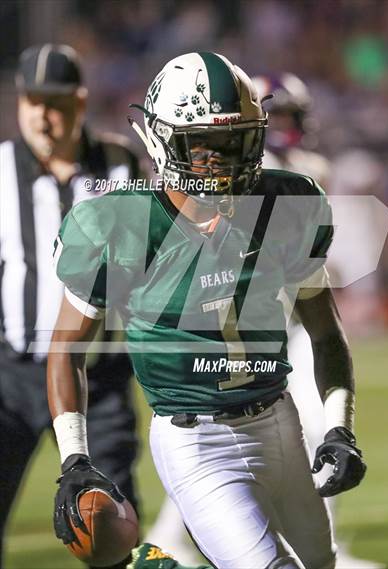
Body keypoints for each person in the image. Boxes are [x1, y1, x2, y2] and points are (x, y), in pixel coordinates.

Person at [47, 52, 367, 569]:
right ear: (160, 140)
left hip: (280, 420)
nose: (222, 159)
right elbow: (67, 348)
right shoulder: (118, 224)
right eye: (202, 145)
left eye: (235, 141)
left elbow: (326, 334)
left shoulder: (285, 205)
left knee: (320, 564)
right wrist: (74, 458)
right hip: (197, 441)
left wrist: (338, 427)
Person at [0, 44, 140, 569]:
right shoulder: (1, 169)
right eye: (32, 101)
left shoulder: (120, 165)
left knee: (111, 534)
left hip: (96, 378)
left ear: (80, 103)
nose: (42, 116)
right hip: (11, 377)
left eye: (55, 103)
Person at [253, 75, 384, 569]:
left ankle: (323, 549)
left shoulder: (309, 169)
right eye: (278, 116)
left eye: (292, 114)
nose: (286, 124)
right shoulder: (249, 174)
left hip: (295, 321)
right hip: (250, 325)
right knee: (226, 436)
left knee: (317, 425)